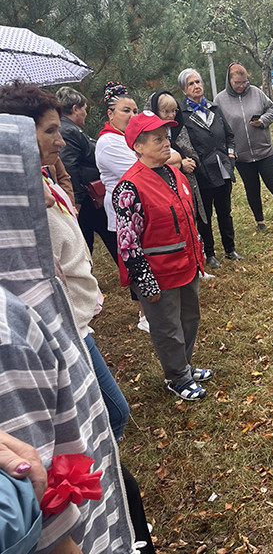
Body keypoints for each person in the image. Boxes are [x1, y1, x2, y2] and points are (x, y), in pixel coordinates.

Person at [0, 111, 136, 554]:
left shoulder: (41, 184)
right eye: (49, 131)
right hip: (63, 331)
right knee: (115, 411)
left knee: (112, 416)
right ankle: (93, 474)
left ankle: (99, 472)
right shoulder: (15, 211)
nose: (62, 140)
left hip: (75, 322)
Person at [113, 111, 212, 401]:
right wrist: (145, 281)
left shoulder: (175, 173)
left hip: (187, 265)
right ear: (138, 146)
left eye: (166, 137)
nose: (166, 143)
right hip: (159, 273)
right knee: (167, 328)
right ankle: (177, 377)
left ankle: (184, 364)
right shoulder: (129, 187)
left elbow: (187, 220)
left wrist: (199, 254)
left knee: (189, 319)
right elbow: (128, 242)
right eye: (157, 139)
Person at [95, 82, 153, 333]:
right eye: (125, 111)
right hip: (124, 211)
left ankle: (151, 308)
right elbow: (141, 168)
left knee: (147, 255)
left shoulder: (128, 139)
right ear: (110, 114)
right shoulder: (109, 142)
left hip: (142, 206)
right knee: (135, 259)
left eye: (134, 110)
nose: (132, 116)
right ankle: (144, 314)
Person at [214, 63, 273, 232]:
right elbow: (218, 127)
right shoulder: (220, 100)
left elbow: (272, 111)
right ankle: (260, 222)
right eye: (238, 82)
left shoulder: (256, 93)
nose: (242, 86)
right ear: (229, 80)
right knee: (252, 189)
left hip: (265, 151)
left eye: (245, 81)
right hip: (242, 156)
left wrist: (263, 121)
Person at [145, 90, 215, 281]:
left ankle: (198, 264)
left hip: (186, 184)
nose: (171, 116)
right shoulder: (149, 133)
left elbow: (189, 151)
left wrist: (187, 160)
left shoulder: (178, 128)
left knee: (192, 223)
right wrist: (179, 162)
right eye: (166, 111)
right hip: (163, 189)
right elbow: (159, 160)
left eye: (174, 111)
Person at [178, 68, 243, 268]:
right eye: (191, 84)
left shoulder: (214, 108)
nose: (197, 86)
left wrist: (231, 155)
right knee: (204, 215)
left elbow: (230, 135)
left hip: (222, 167)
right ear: (184, 90)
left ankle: (230, 248)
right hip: (201, 173)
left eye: (198, 82)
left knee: (225, 211)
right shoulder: (182, 114)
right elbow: (178, 143)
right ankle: (209, 253)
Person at [56, 86, 117, 259]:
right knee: (92, 243)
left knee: (88, 243)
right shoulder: (68, 131)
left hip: (89, 199)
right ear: (75, 108)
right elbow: (69, 167)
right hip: (88, 201)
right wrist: (76, 200)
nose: (86, 113)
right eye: (84, 109)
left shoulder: (71, 129)